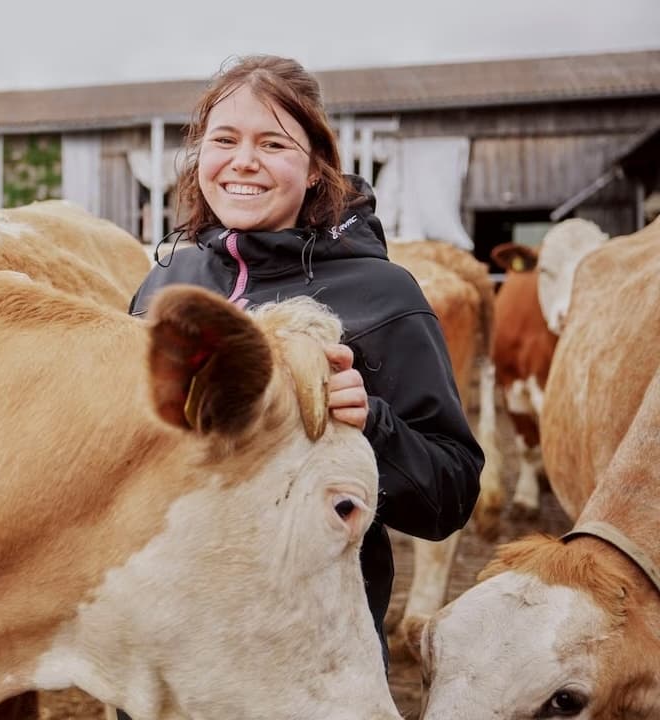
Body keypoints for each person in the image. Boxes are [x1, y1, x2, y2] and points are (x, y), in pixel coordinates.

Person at [127, 54, 483, 682]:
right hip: (167, 639)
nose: (243, 161)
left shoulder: (383, 296)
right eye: (224, 140)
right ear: (199, 155)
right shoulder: (166, 283)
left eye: (273, 143)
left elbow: (449, 495)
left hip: (305, 657)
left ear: (317, 167)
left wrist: (370, 423)